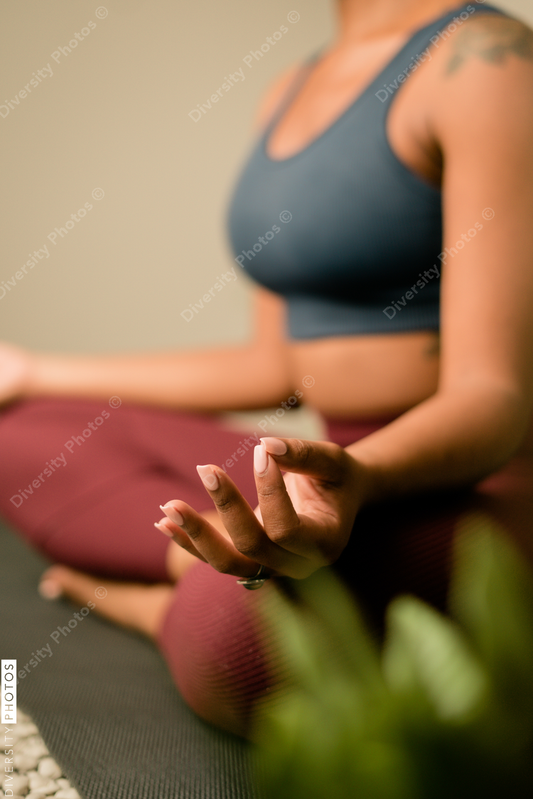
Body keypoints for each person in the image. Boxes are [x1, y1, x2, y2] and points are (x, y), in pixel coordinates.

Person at [1, 0, 533, 737]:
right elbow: (277, 367)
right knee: (21, 434)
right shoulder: (290, 87)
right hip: (323, 469)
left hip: (463, 481)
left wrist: (360, 478)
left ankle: (168, 603)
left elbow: (495, 395)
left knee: (242, 649)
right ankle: (204, 564)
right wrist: (33, 371)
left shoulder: (485, 61)